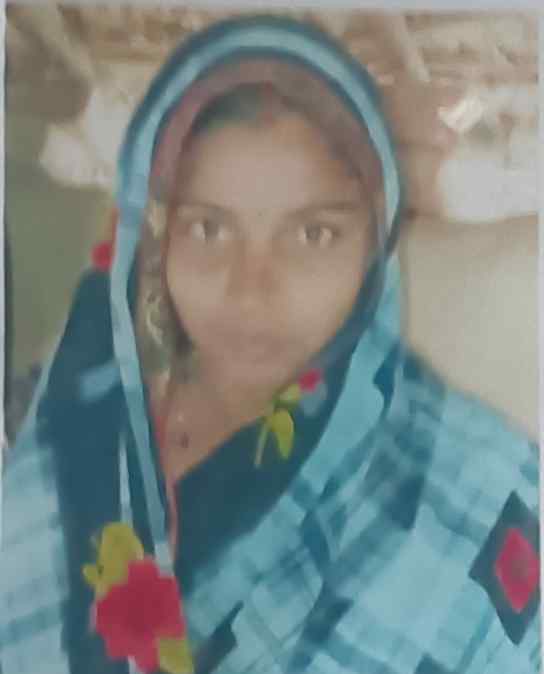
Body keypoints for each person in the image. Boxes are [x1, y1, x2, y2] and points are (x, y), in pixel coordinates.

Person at [1, 14, 539, 674]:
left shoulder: (479, 502)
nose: (251, 291)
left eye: (311, 234)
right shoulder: (61, 434)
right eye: (209, 229)